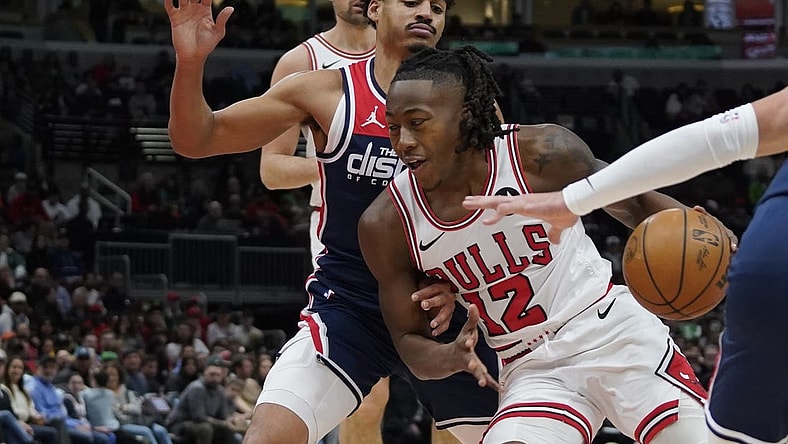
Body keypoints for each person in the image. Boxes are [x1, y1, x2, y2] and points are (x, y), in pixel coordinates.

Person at [164, 0, 499, 443]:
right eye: (412, 2)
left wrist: (460, 284)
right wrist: (190, 62)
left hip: (447, 311)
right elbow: (196, 139)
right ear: (375, 8)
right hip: (352, 304)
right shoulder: (325, 92)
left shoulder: (473, 107)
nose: (427, 14)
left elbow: (498, 215)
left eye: (437, 7)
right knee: (268, 435)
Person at [358, 46, 712, 444]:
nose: (402, 141)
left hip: (610, 331)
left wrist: (706, 235)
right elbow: (409, 343)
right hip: (530, 367)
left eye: (418, 123)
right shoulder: (386, 223)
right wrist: (450, 355)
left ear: (466, 117)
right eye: (392, 126)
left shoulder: (540, 154)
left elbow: (634, 201)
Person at [463, 82, 788, 444]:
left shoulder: (533, 154)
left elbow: (723, 136)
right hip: (535, 365)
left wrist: (574, 198)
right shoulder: (401, 209)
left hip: (617, 327)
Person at [165, 355, 236, 444]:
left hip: (204, 423)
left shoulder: (220, 390)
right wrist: (224, 423)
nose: (215, 378)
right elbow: (199, 417)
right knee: (205, 429)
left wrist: (230, 422)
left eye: (218, 375)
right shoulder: (197, 388)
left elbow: (223, 415)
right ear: (204, 373)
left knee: (228, 430)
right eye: (212, 374)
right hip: (180, 423)